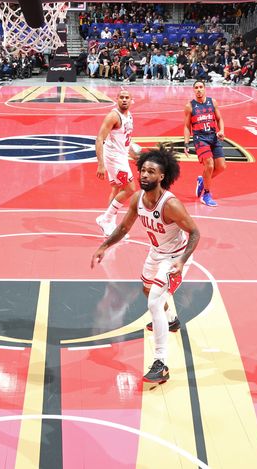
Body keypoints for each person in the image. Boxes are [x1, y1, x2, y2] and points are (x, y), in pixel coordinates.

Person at [91, 144, 200, 384]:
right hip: (156, 253)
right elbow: (123, 227)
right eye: (143, 170)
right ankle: (171, 320)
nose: (145, 175)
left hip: (175, 258)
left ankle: (161, 363)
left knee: (154, 301)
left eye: (151, 172)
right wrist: (104, 246)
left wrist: (182, 262)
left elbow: (194, 233)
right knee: (147, 289)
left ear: (162, 176)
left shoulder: (170, 205)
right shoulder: (138, 198)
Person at [95, 90, 137, 236]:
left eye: (127, 97)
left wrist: (134, 156)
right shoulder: (113, 116)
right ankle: (106, 220)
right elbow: (99, 139)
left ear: (132, 100)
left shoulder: (129, 116)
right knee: (130, 189)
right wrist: (101, 165)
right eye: (122, 97)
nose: (124, 100)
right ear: (117, 99)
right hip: (114, 158)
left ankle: (110, 224)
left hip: (122, 156)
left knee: (117, 188)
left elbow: (126, 140)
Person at [184, 80, 226, 207]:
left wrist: (222, 130)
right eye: (196, 87)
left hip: (213, 137)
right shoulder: (189, 106)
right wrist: (186, 143)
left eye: (201, 87)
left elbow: (219, 119)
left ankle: (202, 180)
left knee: (221, 167)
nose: (198, 90)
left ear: (205, 88)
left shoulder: (212, 102)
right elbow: (186, 126)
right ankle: (206, 194)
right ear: (193, 90)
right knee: (209, 164)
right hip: (200, 138)